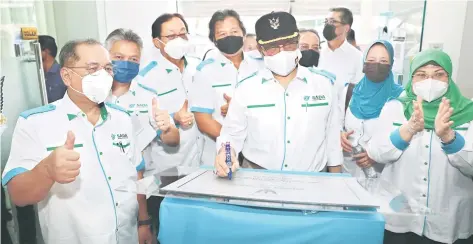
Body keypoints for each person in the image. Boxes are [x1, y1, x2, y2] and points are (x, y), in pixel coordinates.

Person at [1, 39, 149, 244]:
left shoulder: (123, 118)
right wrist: (47, 170)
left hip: (127, 236)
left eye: (107, 68)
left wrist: (144, 222)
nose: (103, 75)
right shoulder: (35, 123)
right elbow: (17, 194)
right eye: (92, 68)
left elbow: (136, 175)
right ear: (67, 76)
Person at [214, 11, 342, 176]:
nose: (282, 52)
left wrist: (336, 181)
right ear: (261, 49)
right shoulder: (246, 88)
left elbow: (332, 138)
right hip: (257, 178)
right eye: (272, 47)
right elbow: (231, 135)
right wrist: (226, 152)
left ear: (297, 42)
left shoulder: (323, 85)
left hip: (313, 181)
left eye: (288, 44)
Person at [367, 49, 473, 244]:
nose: (430, 81)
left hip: (448, 220)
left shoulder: (468, 112)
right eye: (422, 75)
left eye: (439, 74)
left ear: (449, 77)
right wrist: (408, 129)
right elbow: (376, 152)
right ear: (412, 78)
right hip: (399, 214)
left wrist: (450, 137)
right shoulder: (396, 108)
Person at [104, 28, 181, 244]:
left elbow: (173, 140)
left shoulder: (148, 96)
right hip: (102, 190)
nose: (125, 63)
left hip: (142, 191)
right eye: (118, 57)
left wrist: (168, 128)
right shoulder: (93, 94)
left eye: (133, 59)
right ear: (106, 56)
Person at [136, 13, 204, 239]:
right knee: (171, 232)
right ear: (157, 42)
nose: (179, 39)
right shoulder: (146, 78)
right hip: (168, 168)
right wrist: (175, 118)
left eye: (182, 33)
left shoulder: (199, 68)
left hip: (202, 166)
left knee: (200, 230)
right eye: (171, 35)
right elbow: (144, 126)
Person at [190, 9, 265, 165]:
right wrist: (234, 142)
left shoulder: (262, 66)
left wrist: (239, 108)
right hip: (218, 153)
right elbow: (203, 120)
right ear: (214, 39)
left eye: (234, 31)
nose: (229, 36)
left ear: (243, 34)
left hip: (260, 153)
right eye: (222, 34)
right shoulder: (205, 71)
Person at [340, 40, 403, 178]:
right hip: (348, 173)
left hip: (382, 175)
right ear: (364, 62)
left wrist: (376, 156)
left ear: (391, 64)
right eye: (372, 60)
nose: (377, 65)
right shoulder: (349, 92)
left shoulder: (401, 97)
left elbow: (405, 137)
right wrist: (340, 135)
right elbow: (336, 123)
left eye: (383, 61)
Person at [318, 7, 363, 89]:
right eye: (326, 21)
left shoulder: (357, 57)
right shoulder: (318, 51)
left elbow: (358, 89)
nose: (328, 25)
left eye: (333, 21)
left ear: (346, 28)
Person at [39, 35, 66, 103]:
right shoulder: (37, 75)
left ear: (46, 51)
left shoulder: (63, 74)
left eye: (36, 50)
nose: (32, 54)